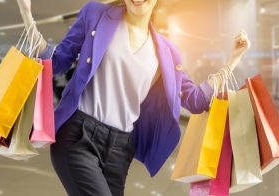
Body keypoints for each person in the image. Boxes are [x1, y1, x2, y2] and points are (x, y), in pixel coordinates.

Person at [16, 0, 250, 195]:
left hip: (120, 147)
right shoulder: (96, 15)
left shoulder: (167, 51)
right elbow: (58, 61)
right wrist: (27, 15)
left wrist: (233, 60)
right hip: (78, 137)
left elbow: (196, 100)